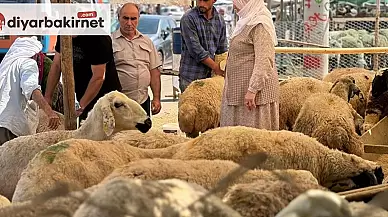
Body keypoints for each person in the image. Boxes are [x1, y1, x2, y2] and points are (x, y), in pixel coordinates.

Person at [219, 0, 280, 130]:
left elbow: (264, 60)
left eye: (236, 1)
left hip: (254, 97)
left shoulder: (259, 24)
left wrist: (252, 90)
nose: (234, 6)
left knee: (253, 139)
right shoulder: (246, 21)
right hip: (239, 91)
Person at [44, 35, 123, 122]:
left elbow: (98, 77)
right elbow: (56, 65)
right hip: (83, 92)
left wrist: (81, 106)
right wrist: (48, 97)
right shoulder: (64, 34)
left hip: (107, 98)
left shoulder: (99, 38)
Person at [0, 36, 61, 145]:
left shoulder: (5, 66)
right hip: (12, 127)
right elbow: (32, 89)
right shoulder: (28, 64)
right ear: (34, 53)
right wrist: (50, 112)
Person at [111, 3, 162, 116]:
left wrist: (157, 98)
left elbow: (154, 72)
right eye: (125, 18)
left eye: (133, 19)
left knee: (143, 133)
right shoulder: (110, 41)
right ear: (118, 17)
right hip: (120, 103)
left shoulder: (147, 42)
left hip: (142, 101)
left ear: (138, 19)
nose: (129, 23)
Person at [179, 0, 228, 93]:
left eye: (205, 0)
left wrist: (222, 68)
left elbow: (221, 50)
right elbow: (195, 49)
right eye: (199, 0)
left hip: (211, 80)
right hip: (191, 77)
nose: (201, 4)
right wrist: (216, 67)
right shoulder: (188, 18)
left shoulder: (220, 21)